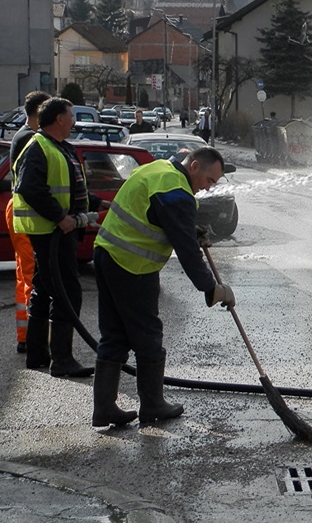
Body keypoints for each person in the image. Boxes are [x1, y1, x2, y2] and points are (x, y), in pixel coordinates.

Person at [91, 146, 235, 427]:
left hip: (107, 253)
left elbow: (155, 215)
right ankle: (153, 405)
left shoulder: (157, 170)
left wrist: (189, 229)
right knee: (148, 335)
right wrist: (211, 288)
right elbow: (186, 250)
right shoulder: (177, 192)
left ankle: (104, 408)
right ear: (194, 166)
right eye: (209, 181)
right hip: (132, 266)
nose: (207, 189)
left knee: (114, 335)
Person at [12, 97, 109, 377]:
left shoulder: (58, 147)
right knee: (67, 291)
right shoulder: (38, 147)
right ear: (58, 120)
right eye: (71, 116)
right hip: (50, 231)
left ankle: (37, 354)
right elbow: (30, 188)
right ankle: (62, 359)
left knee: (44, 288)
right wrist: (60, 217)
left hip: (56, 230)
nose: (74, 121)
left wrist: (96, 202)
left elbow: (67, 186)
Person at [5, 91, 50, 353]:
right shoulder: (30, 139)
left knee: (25, 274)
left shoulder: (23, 135)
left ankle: (26, 335)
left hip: (19, 210)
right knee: (31, 275)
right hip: (25, 212)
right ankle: (32, 338)